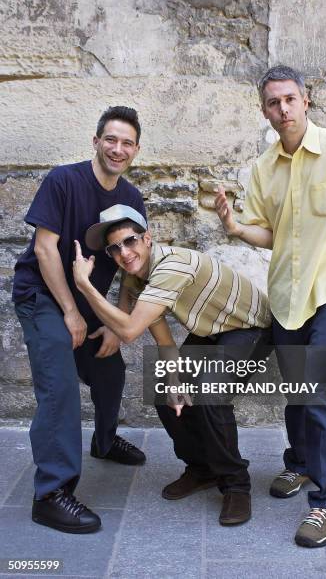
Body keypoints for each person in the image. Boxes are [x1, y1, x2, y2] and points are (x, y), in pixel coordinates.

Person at [214, 65, 326, 547]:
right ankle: (303, 464)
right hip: (288, 296)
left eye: (290, 99)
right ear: (264, 109)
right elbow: (271, 231)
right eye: (273, 102)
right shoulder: (263, 168)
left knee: (323, 392)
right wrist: (235, 228)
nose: (283, 109)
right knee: (297, 391)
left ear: (306, 100)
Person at [72, 204, 272, 526]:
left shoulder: (172, 266)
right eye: (115, 247)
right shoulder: (136, 277)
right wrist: (175, 383)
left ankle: (236, 485)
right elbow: (164, 342)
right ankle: (202, 468)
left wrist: (85, 285)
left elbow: (129, 329)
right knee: (165, 389)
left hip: (251, 327)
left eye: (130, 241)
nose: (124, 252)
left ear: (147, 239)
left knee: (209, 394)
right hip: (211, 330)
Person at [13, 107, 147, 534]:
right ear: (96, 141)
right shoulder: (64, 181)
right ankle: (51, 494)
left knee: (110, 371)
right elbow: (45, 250)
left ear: (136, 150)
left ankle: (104, 441)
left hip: (87, 302)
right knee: (61, 385)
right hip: (42, 295)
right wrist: (70, 312)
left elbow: (133, 266)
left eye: (127, 143)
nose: (118, 149)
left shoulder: (132, 198)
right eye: (111, 139)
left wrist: (118, 319)